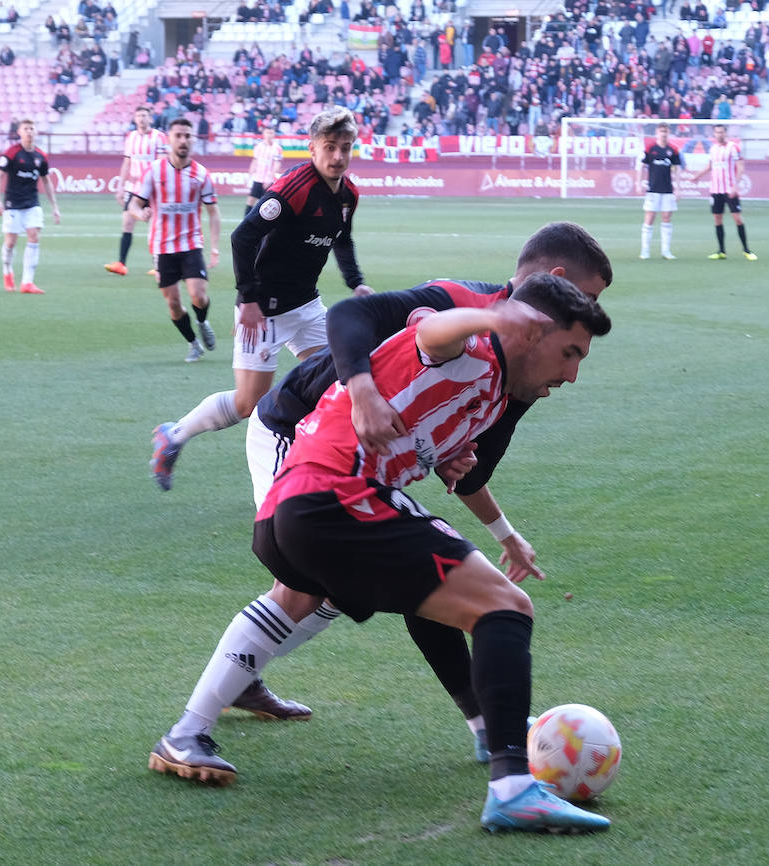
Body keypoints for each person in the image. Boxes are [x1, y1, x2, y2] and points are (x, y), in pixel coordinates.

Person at [148, 275, 614, 834]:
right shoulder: (476, 347)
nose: (572, 374)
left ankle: (186, 734)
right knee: (504, 606)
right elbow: (430, 332)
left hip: (301, 506)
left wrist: (445, 459)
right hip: (334, 497)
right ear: (530, 331)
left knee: (373, 593)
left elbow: (415, 418)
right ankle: (512, 787)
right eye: (570, 353)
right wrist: (495, 318)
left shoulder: (495, 392)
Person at [228, 224, 613, 744]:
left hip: (363, 462)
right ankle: (204, 711)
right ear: (557, 279)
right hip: (297, 425)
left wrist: (491, 514)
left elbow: (471, 466)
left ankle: (483, 725)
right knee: (309, 582)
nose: (588, 313)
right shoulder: (464, 305)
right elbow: (350, 318)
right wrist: (363, 392)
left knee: (426, 573)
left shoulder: (525, 362)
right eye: (588, 297)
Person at [148, 106, 372, 492]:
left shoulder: (348, 194)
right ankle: (174, 434)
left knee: (338, 379)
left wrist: (356, 283)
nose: (338, 156)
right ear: (312, 148)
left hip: (306, 306)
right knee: (248, 402)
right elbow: (243, 237)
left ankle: (319, 467)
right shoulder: (294, 188)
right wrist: (248, 300)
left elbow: (343, 239)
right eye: (330, 147)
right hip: (263, 309)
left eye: (345, 148)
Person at [127, 117, 222, 363]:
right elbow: (134, 204)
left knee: (198, 295)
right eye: (178, 135)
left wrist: (214, 249)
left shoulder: (201, 174)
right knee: (173, 303)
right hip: (162, 247)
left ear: (193, 140)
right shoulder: (154, 171)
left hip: (191, 244)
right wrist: (140, 213)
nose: (183, 140)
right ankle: (193, 344)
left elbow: (213, 213)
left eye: (187, 136)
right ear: (169, 139)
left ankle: (202, 321)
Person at [0, 119, 60, 294]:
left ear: (36, 132)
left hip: (32, 203)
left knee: (34, 236)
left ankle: (27, 283)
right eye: (26, 129)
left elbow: (46, 181)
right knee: (10, 242)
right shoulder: (12, 152)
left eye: (31, 128)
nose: (29, 131)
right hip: (13, 203)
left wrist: (54, 206)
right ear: (19, 132)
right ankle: (7, 271)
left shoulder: (40, 156)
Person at [105, 106, 167, 276]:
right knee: (127, 222)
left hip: (152, 188)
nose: (141, 118)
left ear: (150, 118)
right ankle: (121, 264)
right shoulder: (131, 137)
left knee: (156, 226)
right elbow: (127, 162)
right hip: (134, 188)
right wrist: (121, 186)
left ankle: (159, 265)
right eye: (138, 115)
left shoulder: (159, 137)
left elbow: (162, 163)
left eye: (144, 115)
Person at [692, 124, 756, 261]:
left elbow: (740, 167)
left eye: (721, 132)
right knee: (717, 219)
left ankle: (746, 250)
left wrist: (736, 185)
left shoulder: (733, 147)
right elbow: (710, 166)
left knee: (737, 218)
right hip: (715, 190)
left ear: (725, 133)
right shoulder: (713, 148)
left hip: (729, 189)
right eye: (717, 132)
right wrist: (697, 175)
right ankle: (721, 251)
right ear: (714, 134)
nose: (719, 134)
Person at [637, 122, 682, 260]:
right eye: (661, 131)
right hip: (653, 189)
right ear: (657, 133)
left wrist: (678, 188)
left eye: (666, 131)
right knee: (649, 218)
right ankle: (645, 251)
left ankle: (666, 251)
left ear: (669, 133)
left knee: (667, 217)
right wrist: (639, 183)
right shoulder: (650, 148)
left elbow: (677, 169)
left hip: (667, 190)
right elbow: (642, 166)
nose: (663, 134)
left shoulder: (673, 150)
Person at [244, 125, 283, 215]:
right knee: (251, 199)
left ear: (274, 135)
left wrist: (270, 178)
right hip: (258, 178)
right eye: (267, 133)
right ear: (263, 134)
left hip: (269, 180)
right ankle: (246, 220)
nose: (269, 135)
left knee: (269, 202)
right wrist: (250, 175)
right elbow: (255, 161)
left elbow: (277, 164)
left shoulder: (277, 148)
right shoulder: (258, 146)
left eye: (271, 133)